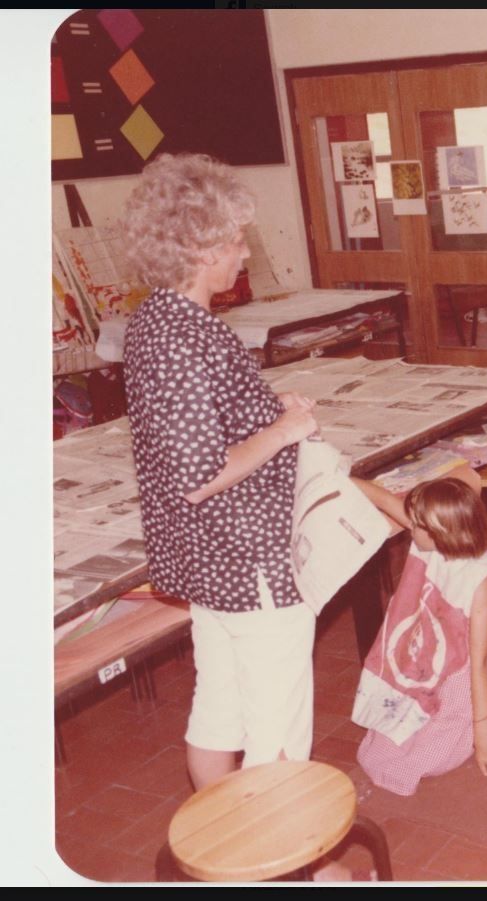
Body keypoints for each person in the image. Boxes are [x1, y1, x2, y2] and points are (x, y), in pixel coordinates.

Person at [119, 153, 322, 793]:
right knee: (277, 737)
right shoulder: (187, 337)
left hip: (208, 562)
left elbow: (197, 426)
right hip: (249, 560)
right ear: (201, 247)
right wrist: (286, 430)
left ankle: (221, 841)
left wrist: (268, 409)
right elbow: (200, 474)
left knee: (219, 714)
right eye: (235, 239)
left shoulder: (155, 321)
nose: (244, 252)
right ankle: (282, 847)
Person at [353, 478, 487, 796]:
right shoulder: (435, 541)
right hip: (445, 642)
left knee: (432, 745)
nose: (410, 529)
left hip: (475, 659)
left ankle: (474, 722)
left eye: (416, 525)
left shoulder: (481, 582)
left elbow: (479, 664)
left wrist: (481, 738)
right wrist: (339, 477)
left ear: (439, 531)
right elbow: (387, 500)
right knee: (388, 737)